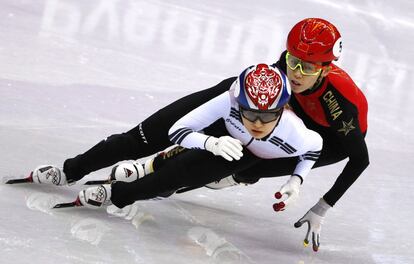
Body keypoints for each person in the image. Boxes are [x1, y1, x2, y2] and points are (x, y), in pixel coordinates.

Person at [25, 18, 368, 252]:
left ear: (326, 67)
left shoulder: (340, 103)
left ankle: (168, 176)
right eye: (292, 60)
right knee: (147, 134)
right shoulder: (282, 72)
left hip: (319, 138)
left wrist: (321, 207)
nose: (295, 72)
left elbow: (359, 158)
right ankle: (73, 169)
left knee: (235, 165)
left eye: (307, 68)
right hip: (261, 110)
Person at [76, 62, 322, 222]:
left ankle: (142, 183)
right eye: (249, 112)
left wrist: (296, 180)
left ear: (282, 111)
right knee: (187, 157)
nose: (257, 123)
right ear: (239, 104)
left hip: (247, 156)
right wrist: (210, 143)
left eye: (267, 115)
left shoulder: (295, 135)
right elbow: (178, 129)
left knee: (182, 176)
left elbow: (315, 148)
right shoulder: (228, 102)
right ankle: (149, 168)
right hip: (224, 137)